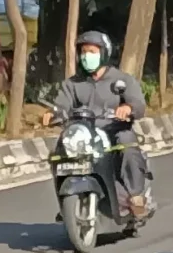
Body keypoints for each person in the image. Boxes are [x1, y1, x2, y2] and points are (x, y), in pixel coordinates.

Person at [59, 30, 152, 221]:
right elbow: (61, 106)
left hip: (114, 131)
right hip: (85, 135)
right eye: (83, 52)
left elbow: (139, 105)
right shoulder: (73, 84)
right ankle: (67, 200)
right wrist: (52, 114)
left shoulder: (122, 80)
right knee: (61, 150)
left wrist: (127, 107)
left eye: (91, 51)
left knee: (127, 142)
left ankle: (136, 196)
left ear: (103, 53)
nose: (87, 56)